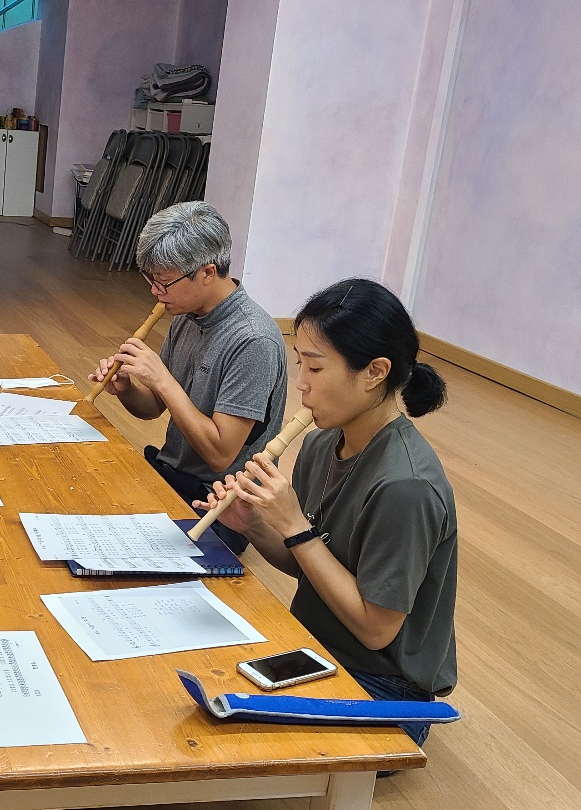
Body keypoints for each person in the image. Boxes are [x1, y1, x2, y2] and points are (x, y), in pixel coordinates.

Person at [197, 278, 457, 752]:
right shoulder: (321, 443)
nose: (301, 382)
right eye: (300, 363)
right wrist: (253, 524)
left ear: (375, 372)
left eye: (315, 367)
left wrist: (294, 525)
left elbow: (375, 629)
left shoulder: (406, 486)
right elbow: (311, 566)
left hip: (381, 688)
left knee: (227, 743)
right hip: (312, 650)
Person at [88, 201, 287, 552]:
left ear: (208, 272)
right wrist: (128, 388)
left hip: (218, 505)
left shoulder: (253, 340)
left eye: (164, 282)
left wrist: (162, 379)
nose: (155, 292)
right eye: (151, 280)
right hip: (171, 473)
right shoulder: (186, 314)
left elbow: (220, 454)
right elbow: (153, 407)